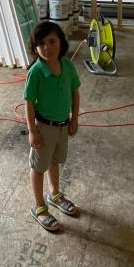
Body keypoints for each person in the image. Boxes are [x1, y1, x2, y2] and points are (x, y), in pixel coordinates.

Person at [24, 20, 81, 232]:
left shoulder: (68, 66)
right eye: (41, 43)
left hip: (63, 125)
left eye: (52, 41)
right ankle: (39, 207)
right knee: (38, 166)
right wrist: (32, 130)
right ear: (35, 47)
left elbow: (75, 93)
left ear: (61, 42)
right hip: (44, 127)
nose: (47, 47)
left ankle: (54, 194)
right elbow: (29, 103)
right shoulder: (36, 72)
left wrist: (74, 119)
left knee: (54, 161)